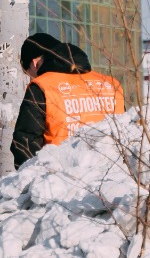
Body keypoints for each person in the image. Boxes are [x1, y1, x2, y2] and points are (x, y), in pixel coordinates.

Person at [11, 35, 126, 168]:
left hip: (61, 179)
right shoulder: (110, 84)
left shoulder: (42, 87)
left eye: (30, 74)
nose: (32, 79)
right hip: (112, 176)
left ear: (35, 64)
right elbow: (126, 132)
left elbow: (25, 142)